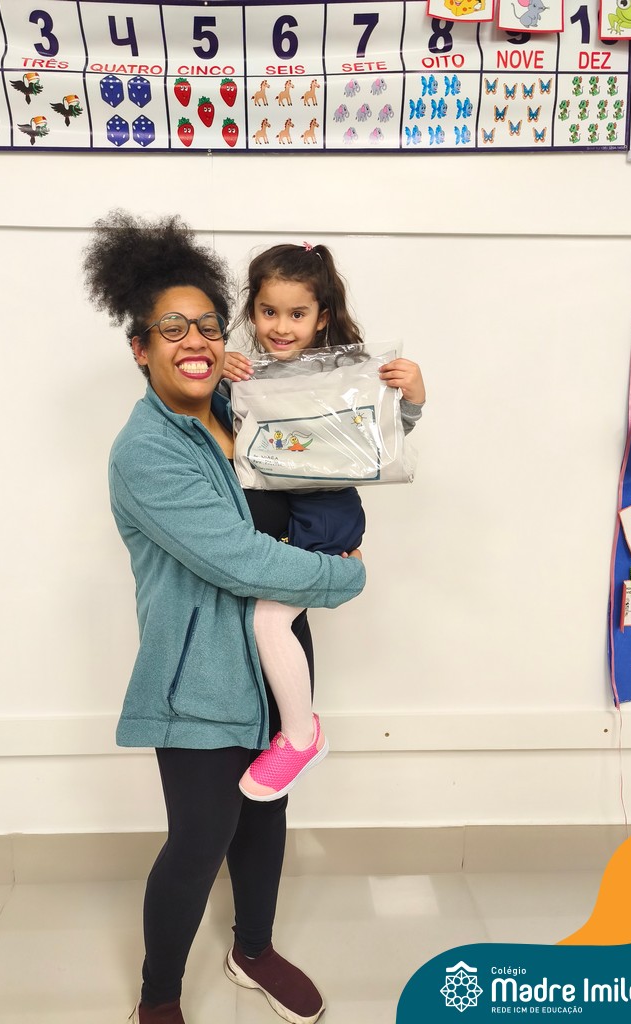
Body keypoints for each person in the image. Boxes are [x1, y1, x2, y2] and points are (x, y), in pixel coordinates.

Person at [82, 213, 365, 1024]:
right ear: (140, 348)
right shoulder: (146, 450)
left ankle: (253, 949)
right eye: (172, 329)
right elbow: (240, 560)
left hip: (276, 652)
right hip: (200, 675)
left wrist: (402, 401)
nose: (195, 340)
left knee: (267, 814)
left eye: (207, 323)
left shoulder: (246, 402)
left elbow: (344, 439)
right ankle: (159, 998)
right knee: (200, 839)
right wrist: (342, 576)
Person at [221, 242, 426, 802]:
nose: (280, 327)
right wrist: (222, 373)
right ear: (252, 311)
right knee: (264, 623)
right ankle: (291, 733)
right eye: (268, 312)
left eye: (297, 313)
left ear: (322, 317)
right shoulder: (247, 371)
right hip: (276, 519)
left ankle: (301, 736)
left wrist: (413, 397)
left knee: (269, 622)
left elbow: (384, 435)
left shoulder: (348, 371)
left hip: (327, 516)